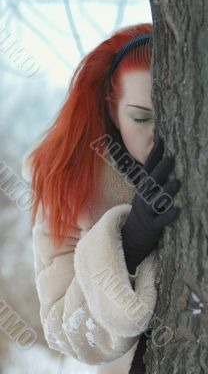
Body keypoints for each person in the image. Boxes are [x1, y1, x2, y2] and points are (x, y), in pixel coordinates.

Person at [21, 22, 182, 374]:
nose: (158, 136)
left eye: (173, 117)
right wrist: (125, 245)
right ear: (112, 109)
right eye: (141, 117)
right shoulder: (68, 181)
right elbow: (64, 330)